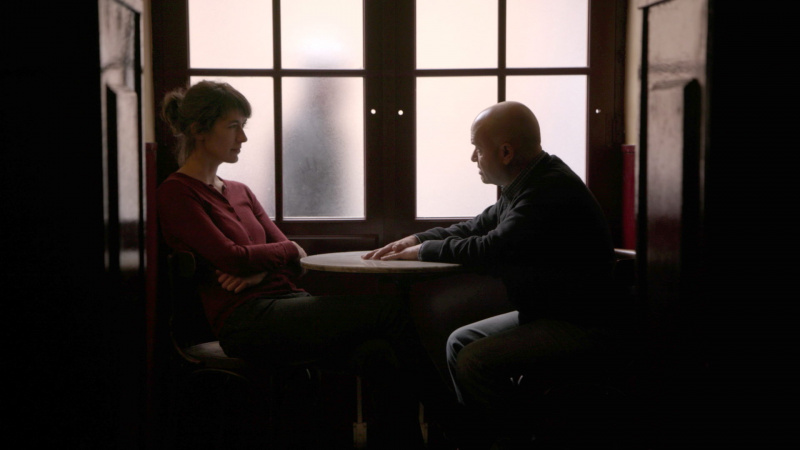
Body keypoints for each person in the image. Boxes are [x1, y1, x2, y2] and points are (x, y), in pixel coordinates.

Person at [157, 80, 451, 449]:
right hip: (246, 321)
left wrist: (260, 268)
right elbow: (236, 257)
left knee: (379, 352)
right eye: (233, 126)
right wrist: (278, 254)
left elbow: (297, 259)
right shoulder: (177, 193)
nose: (243, 138)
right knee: (390, 312)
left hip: (287, 303)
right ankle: (456, 420)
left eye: (244, 126)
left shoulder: (240, 191)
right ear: (199, 129)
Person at [363, 101, 620, 448]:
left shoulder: (548, 190)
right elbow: (475, 227)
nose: (473, 158)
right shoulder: (528, 182)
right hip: (550, 314)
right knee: (459, 342)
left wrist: (423, 252)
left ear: (506, 152)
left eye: (477, 149)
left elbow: (491, 248)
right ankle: (487, 436)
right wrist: (415, 240)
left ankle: (508, 437)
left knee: (474, 360)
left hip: (581, 324)